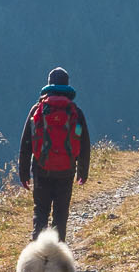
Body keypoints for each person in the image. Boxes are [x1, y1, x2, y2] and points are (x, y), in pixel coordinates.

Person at [18, 66, 90, 241]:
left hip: (41, 169)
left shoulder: (38, 109)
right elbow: (83, 143)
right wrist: (82, 172)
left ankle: (38, 257)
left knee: (40, 212)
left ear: (49, 84)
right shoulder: (75, 112)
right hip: (66, 170)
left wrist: (24, 173)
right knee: (60, 214)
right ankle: (57, 260)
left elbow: (26, 142)